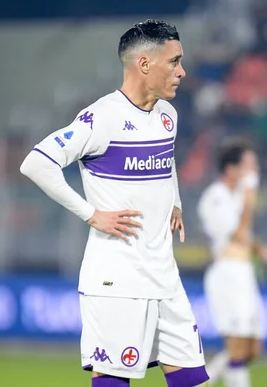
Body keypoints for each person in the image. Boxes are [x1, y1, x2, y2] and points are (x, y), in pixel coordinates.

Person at [20, 20, 209, 387]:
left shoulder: (168, 116)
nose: (182, 72)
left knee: (195, 382)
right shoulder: (102, 118)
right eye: (174, 62)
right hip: (116, 280)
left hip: (165, 277)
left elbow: (166, 161)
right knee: (114, 381)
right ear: (143, 64)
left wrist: (175, 202)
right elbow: (36, 164)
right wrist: (92, 215)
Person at [197, 139, 267, 387]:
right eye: (248, 166)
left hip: (244, 272)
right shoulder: (216, 197)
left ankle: (204, 380)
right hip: (228, 274)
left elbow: (250, 240)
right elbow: (239, 234)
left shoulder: (235, 196)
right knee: (238, 344)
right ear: (231, 169)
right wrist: (250, 199)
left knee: (253, 348)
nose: (253, 171)